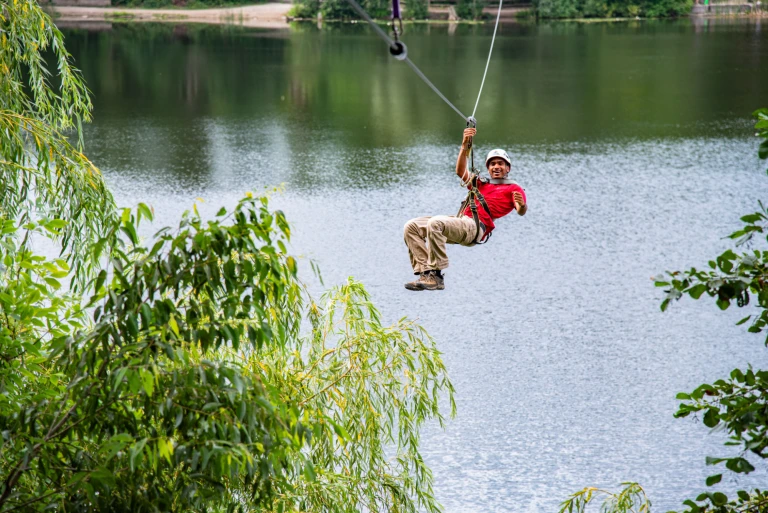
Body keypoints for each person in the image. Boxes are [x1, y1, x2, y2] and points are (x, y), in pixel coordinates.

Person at [403, 127, 527, 291]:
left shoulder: (513, 188)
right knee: (411, 226)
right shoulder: (481, 184)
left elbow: (520, 210)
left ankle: (436, 276)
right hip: (461, 221)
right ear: (488, 168)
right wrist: (464, 146)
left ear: (508, 168)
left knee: (435, 223)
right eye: (492, 164)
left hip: (475, 227)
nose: (496, 166)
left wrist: (522, 206)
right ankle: (425, 273)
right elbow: (461, 171)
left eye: (501, 164)